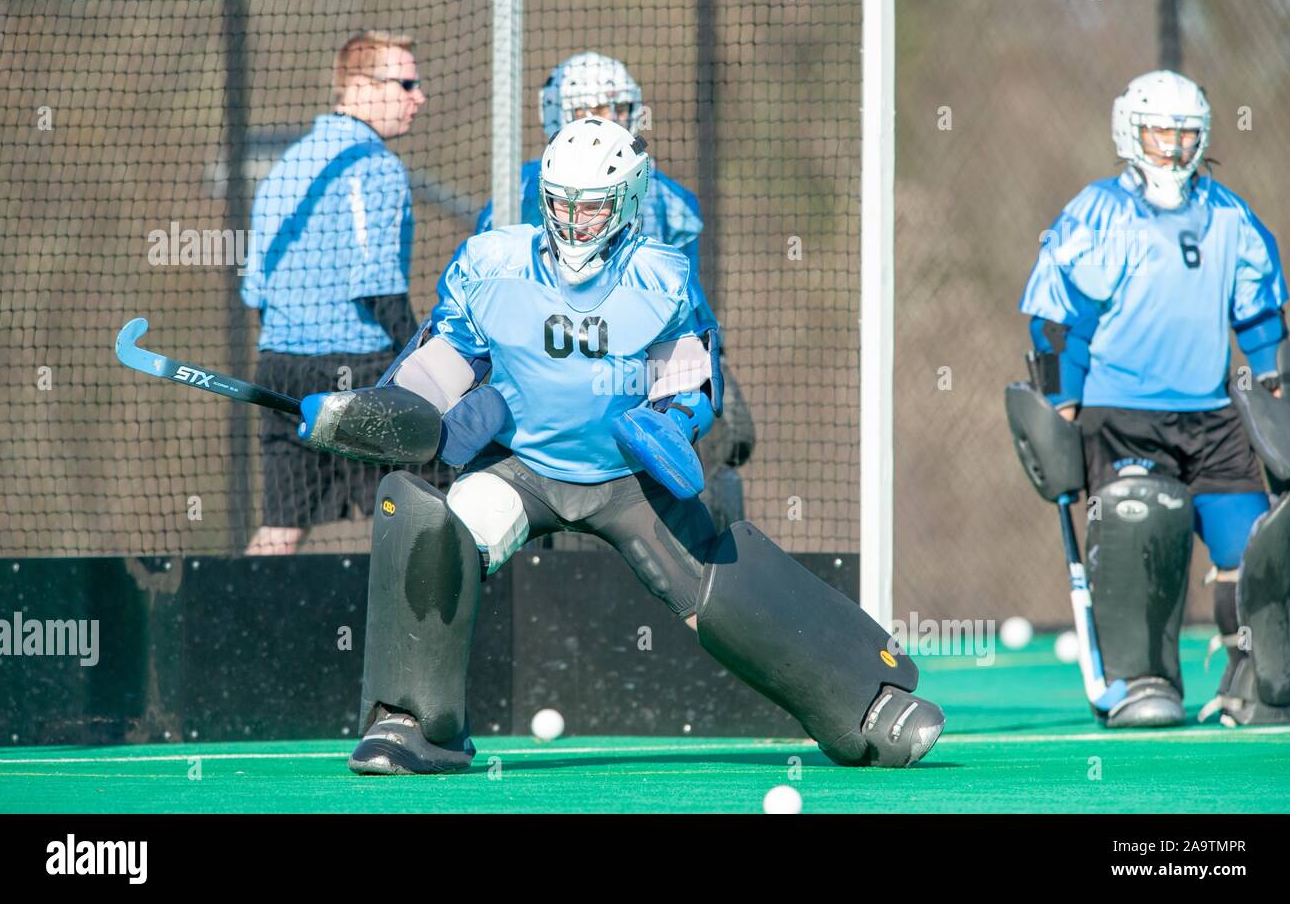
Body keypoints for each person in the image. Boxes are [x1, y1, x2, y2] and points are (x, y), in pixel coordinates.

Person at [294, 117, 944, 773]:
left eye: (593, 206)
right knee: (429, 523)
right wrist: (371, 411)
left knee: (717, 600)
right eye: (561, 204)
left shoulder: (661, 276)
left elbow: (690, 382)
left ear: (629, 203)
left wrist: (671, 422)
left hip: (627, 479)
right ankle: (413, 722)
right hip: (524, 467)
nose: (574, 223)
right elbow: (436, 369)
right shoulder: (491, 262)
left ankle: (866, 696)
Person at [1017, 69, 1290, 727]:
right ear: (1130, 132)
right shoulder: (1098, 213)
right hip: (1121, 417)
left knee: (1258, 547)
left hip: (1213, 417)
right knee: (1145, 528)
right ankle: (1143, 681)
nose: (1172, 146)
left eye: (1185, 134)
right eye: (1159, 132)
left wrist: (1276, 388)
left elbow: (1260, 314)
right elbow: (1058, 321)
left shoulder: (1229, 214)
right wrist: (1063, 406)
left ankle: (1256, 680)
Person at [477, 51, 753, 529]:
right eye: (593, 113)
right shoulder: (524, 190)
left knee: (719, 448)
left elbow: (687, 302)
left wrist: (713, 361)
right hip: (554, 357)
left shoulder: (665, 195)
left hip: (647, 359)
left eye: (618, 110)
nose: (611, 125)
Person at [239, 31, 425, 555]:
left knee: (280, 529)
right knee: (437, 502)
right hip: (358, 373)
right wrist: (427, 365)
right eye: (406, 83)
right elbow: (380, 286)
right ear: (363, 87)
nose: (419, 96)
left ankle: (234, 629)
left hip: (280, 370)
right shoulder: (375, 165)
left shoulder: (289, 163)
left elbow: (255, 291)